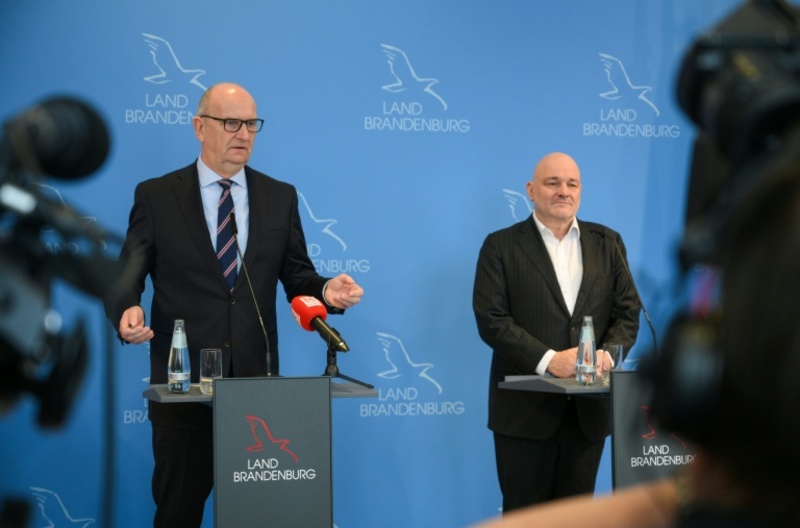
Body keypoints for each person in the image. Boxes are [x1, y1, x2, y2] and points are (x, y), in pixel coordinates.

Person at [106, 82, 364, 528]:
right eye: (230, 123)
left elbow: (297, 276)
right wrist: (127, 307)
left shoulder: (279, 196)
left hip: (255, 389)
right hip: (183, 387)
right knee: (177, 514)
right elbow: (127, 274)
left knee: (258, 517)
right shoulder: (157, 195)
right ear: (199, 127)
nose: (243, 133)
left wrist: (326, 292)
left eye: (251, 124)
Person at [472, 151, 641, 513]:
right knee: (525, 518)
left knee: (577, 518)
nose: (564, 191)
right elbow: (491, 319)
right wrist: (549, 361)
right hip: (524, 415)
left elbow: (628, 313)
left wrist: (605, 355)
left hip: (587, 416)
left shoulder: (608, 242)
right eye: (553, 183)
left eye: (572, 184)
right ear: (531, 190)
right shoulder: (500, 246)